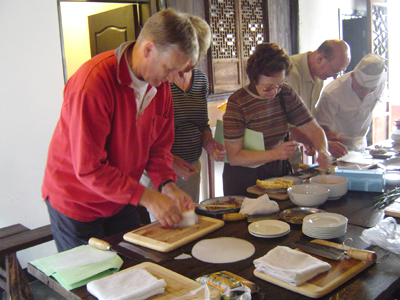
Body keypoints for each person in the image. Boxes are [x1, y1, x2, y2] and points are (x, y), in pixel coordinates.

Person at [42, 8, 199, 252]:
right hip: (78, 203)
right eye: (169, 68)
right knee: (91, 284)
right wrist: (147, 198)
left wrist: (167, 186)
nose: (170, 79)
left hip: (121, 197)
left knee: (134, 271)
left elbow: (158, 150)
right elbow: (89, 168)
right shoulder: (93, 84)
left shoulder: (159, 86)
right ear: (148, 49)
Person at [222, 43, 331, 197]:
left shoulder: (285, 93)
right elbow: (234, 157)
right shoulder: (238, 102)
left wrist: (323, 150)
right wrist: (275, 153)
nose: (274, 92)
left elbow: (314, 129)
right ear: (254, 79)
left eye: (278, 85)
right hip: (244, 175)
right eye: (267, 87)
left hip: (277, 170)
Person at [141, 15, 225, 204]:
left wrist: (209, 142)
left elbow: (201, 123)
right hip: (160, 170)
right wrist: (170, 160)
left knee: (191, 222)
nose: (183, 69)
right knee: (166, 228)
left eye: (191, 62)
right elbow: (145, 136)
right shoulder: (159, 80)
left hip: (191, 167)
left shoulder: (201, 80)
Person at [286, 39, 350, 161]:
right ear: (320, 59)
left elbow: (306, 119)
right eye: (334, 71)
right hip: (271, 154)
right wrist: (323, 145)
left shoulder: (319, 78)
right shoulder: (289, 72)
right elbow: (288, 126)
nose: (335, 77)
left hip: (292, 153)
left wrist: (324, 136)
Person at [314, 53, 387, 152]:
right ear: (353, 76)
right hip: (334, 149)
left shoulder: (381, 82)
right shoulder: (332, 93)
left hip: (361, 146)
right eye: (361, 88)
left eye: (371, 89)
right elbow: (318, 127)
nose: (366, 93)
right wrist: (329, 137)